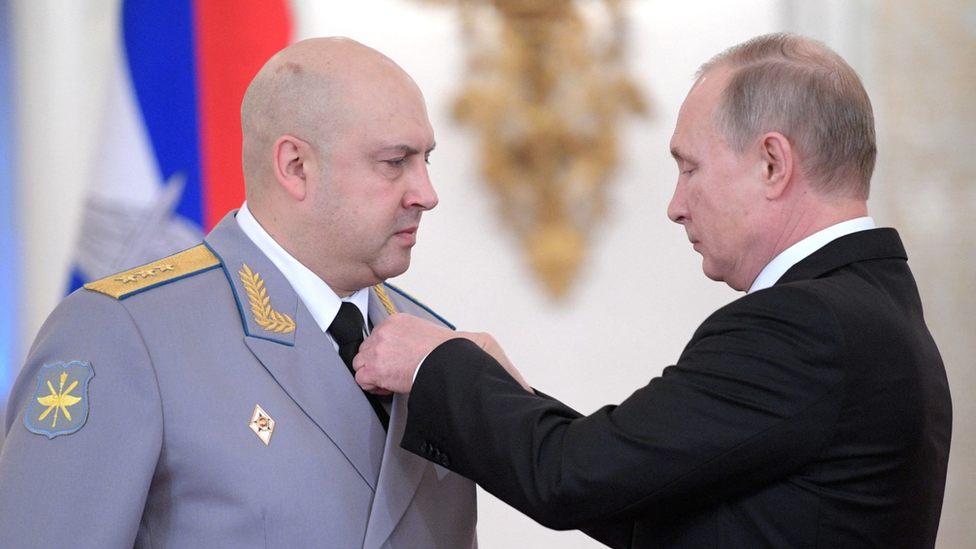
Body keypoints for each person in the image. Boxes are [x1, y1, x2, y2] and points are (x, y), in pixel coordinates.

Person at [353, 32, 952, 548]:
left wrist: (436, 365)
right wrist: (509, 393)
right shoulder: (871, 307)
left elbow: (572, 478)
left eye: (689, 168)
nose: (675, 206)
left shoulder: (804, 324)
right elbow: (647, 502)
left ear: (773, 163)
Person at [0, 37, 477, 548]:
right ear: (295, 166)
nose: (426, 194)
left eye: (425, 158)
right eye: (394, 161)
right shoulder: (123, 334)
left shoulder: (436, 348)